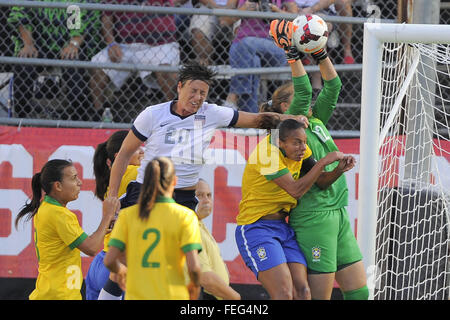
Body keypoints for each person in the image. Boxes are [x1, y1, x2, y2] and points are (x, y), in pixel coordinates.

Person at [268, 19, 368, 300]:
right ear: (286, 108)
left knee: (359, 292)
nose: (309, 102)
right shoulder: (287, 131)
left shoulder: (315, 121)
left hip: (338, 213)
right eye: (300, 101)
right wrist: (292, 55)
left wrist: (320, 53)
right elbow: (304, 91)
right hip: (314, 216)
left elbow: (333, 86)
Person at [235, 118, 349, 299]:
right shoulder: (267, 154)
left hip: (283, 228)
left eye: (304, 142)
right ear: (280, 142)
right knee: (284, 293)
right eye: (297, 143)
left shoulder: (299, 149)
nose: (303, 148)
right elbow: (295, 190)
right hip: (256, 228)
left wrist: (338, 171)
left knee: (302, 292)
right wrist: (323, 163)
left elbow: (321, 181)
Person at [14, 159, 119, 300]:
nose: (80, 182)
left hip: (53, 293)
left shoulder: (46, 208)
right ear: (58, 186)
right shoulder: (60, 215)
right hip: (60, 295)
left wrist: (102, 228)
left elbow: (87, 242)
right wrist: (107, 215)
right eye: (74, 178)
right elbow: (92, 248)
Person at [103, 156, 203, 300]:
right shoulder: (186, 216)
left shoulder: (127, 215)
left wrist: (122, 273)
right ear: (174, 182)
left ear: (145, 183)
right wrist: (195, 286)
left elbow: (110, 260)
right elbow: (194, 267)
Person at [7, 1, 99, 120]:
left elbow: (79, 18)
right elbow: (22, 15)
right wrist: (28, 44)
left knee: (74, 65)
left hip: (67, 42)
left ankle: (79, 119)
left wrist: (73, 44)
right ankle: (21, 117)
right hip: (38, 42)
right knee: (25, 63)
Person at [89, 0, 180, 115]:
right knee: (98, 66)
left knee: (165, 69)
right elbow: (107, 17)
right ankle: (99, 115)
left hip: (159, 45)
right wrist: (111, 43)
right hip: (125, 46)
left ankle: (173, 114)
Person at [85, 130, 144, 300]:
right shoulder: (134, 174)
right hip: (118, 264)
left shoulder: (110, 179)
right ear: (122, 155)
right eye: (137, 148)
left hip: (99, 263)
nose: (142, 151)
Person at [222, 0, 298, 113]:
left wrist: (275, 11)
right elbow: (224, 21)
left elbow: (296, 20)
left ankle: (233, 95)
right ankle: (251, 119)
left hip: (274, 47)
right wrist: (243, 10)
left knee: (246, 43)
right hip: (243, 50)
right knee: (254, 61)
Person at [194, 179, 241, 300]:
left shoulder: (200, 225)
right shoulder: (191, 228)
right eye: (199, 195)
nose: (206, 200)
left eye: (209, 195)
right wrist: (235, 297)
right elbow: (205, 278)